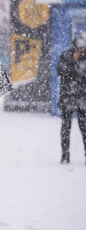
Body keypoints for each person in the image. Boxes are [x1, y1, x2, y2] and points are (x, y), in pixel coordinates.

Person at [57, 36, 86, 164]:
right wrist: (74, 62)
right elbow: (61, 71)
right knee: (65, 128)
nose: (82, 53)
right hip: (67, 98)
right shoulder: (66, 56)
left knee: (84, 129)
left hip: (82, 99)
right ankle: (65, 155)